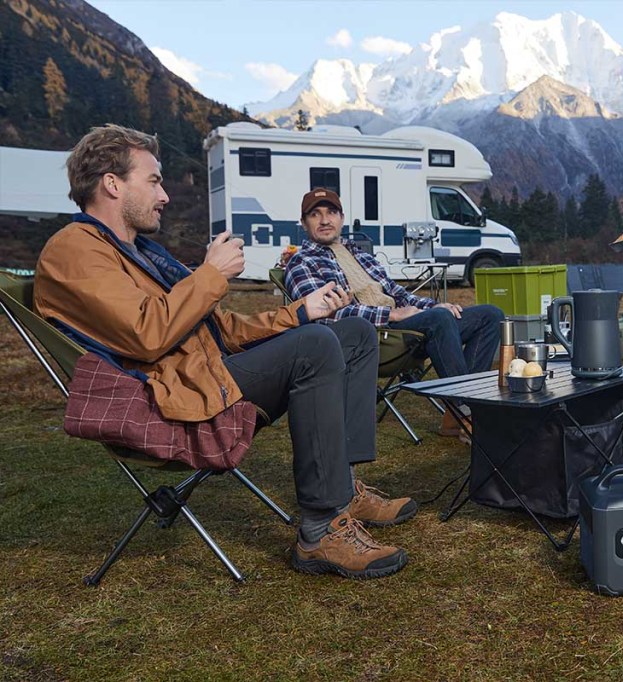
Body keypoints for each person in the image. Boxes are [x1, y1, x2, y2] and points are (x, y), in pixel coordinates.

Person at [34, 124, 414, 580]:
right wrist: (210, 275)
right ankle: (320, 531)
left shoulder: (137, 253)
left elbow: (221, 330)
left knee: (351, 332)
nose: (165, 196)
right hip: (168, 399)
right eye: (154, 180)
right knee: (315, 348)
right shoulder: (75, 251)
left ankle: (343, 486)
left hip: (202, 375)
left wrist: (298, 312)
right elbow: (146, 335)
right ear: (112, 184)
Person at [284, 188, 505, 439]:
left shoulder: (359, 255)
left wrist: (432, 306)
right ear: (304, 223)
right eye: (315, 214)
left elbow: (398, 294)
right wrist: (391, 315)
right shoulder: (301, 262)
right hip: (371, 338)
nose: (325, 220)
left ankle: (456, 414)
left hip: (405, 327)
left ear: (342, 218)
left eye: (331, 212)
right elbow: (323, 315)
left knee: (490, 315)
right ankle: (466, 413)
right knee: (440, 321)